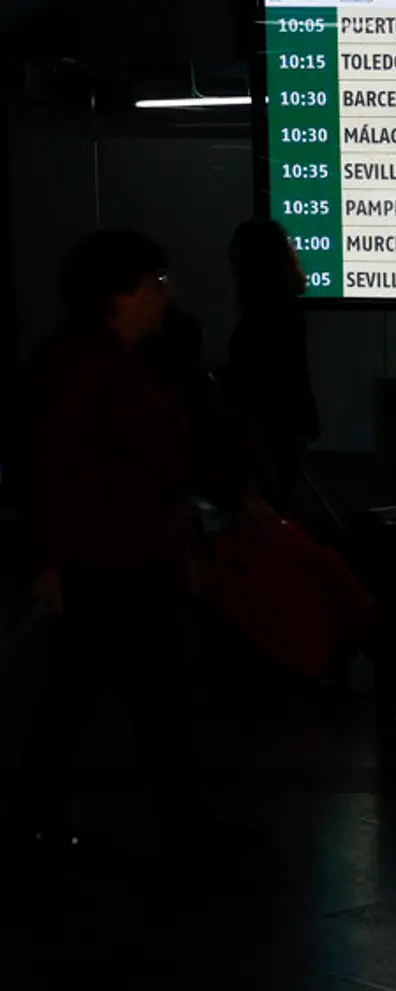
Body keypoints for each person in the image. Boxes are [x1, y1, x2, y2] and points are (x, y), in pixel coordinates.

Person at [8, 229, 270, 862]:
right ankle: (167, 824)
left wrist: (233, 495)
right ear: (118, 294)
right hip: (105, 559)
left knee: (102, 695)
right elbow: (51, 471)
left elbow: (171, 452)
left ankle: (46, 822)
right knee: (121, 695)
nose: (165, 295)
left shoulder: (116, 361)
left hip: (126, 556)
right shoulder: (84, 368)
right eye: (155, 282)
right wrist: (48, 562)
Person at [222, 218, 319, 506]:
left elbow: (260, 376)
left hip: (267, 431)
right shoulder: (284, 305)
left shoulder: (264, 313)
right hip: (284, 425)